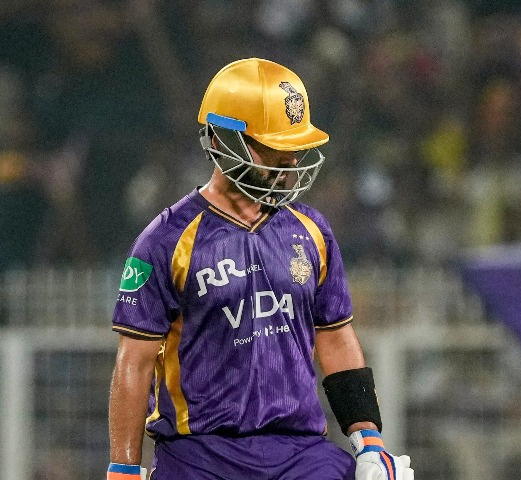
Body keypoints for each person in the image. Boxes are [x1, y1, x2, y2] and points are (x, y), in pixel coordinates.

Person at [108, 58, 413, 480]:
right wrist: (122, 470)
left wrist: (369, 441)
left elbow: (335, 338)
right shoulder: (164, 241)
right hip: (200, 455)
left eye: (294, 147)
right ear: (223, 140)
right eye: (273, 148)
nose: (290, 162)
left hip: (301, 452)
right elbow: (135, 362)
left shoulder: (313, 230)